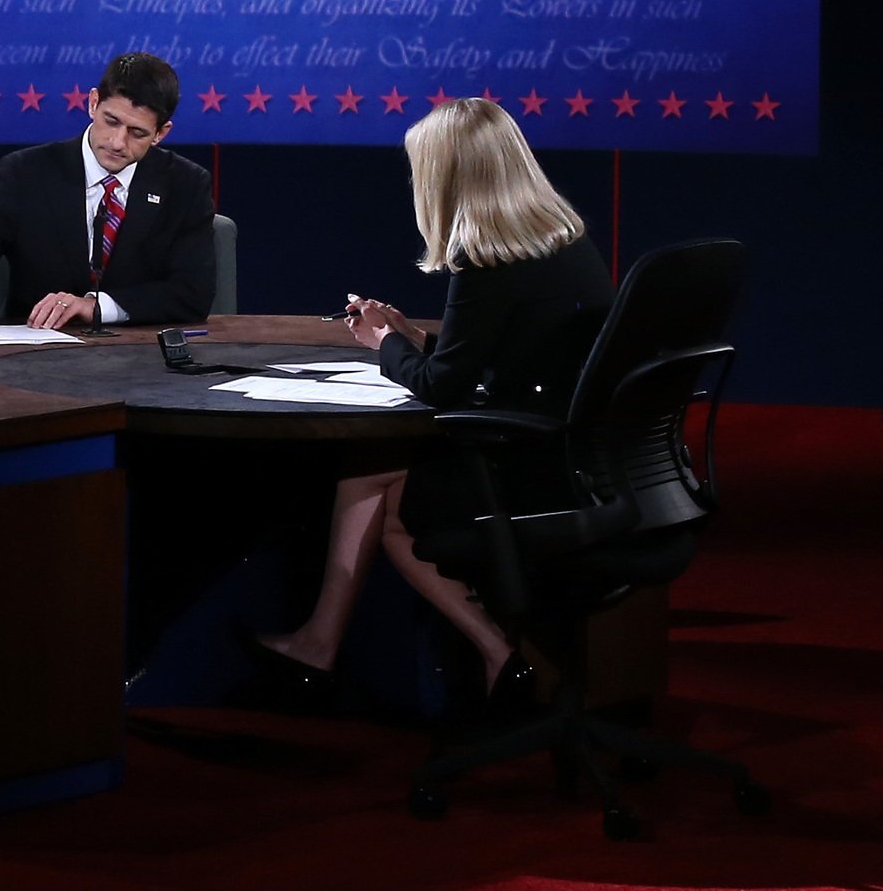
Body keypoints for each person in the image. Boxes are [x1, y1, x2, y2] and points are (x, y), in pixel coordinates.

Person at [254, 97, 614, 708]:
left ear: (446, 177)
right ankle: (485, 654)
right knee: (376, 479)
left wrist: (383, 341)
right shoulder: (560, 238)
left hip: (528, 464)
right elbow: (509, 349)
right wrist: (413, 335)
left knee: (374, 482)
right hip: (578, 449)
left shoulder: (485, 259)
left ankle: (348, 646)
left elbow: (441, 387)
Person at [0, 52, 215, 328]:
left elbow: (193, 293)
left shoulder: (186, 185)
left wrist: (96, 306)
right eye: (111, 121)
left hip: (142, 361)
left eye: (137, 132)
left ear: (161, 133)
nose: (117, 142)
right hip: (30, 359)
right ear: (93, 103)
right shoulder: (25, 173)